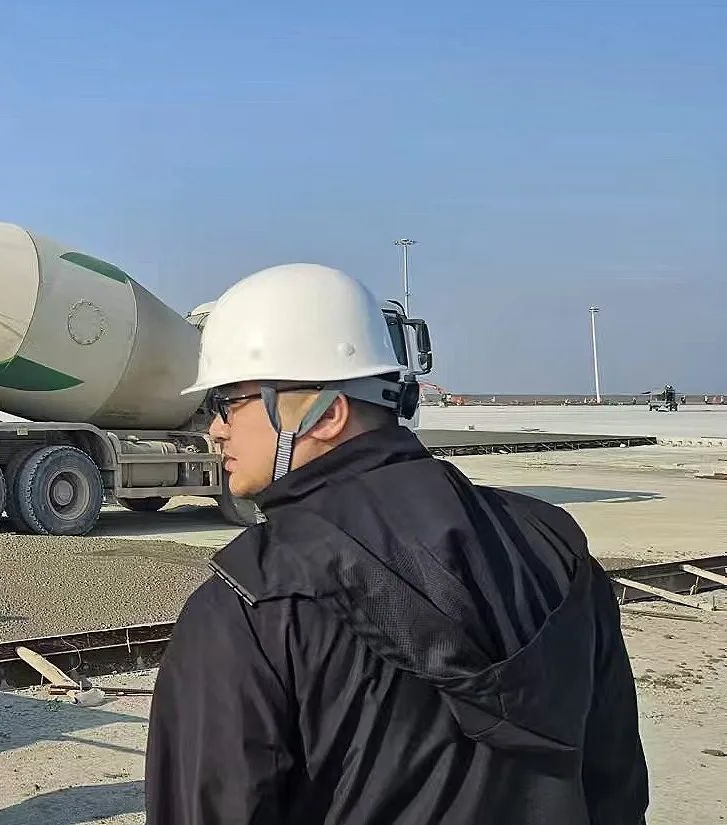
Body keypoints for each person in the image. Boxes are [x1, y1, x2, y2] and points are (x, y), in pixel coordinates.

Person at [145, 264, 648, 824]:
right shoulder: (552, 546)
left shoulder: (253, 603)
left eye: (229, 401)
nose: (214, 428)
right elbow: (615, 786)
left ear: (327, 414)